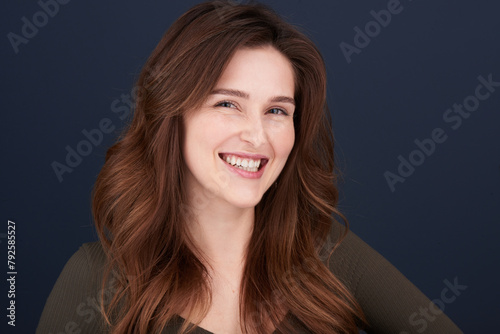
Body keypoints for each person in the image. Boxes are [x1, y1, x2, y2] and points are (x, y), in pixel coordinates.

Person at [37, 1, 463, 333]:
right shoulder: (97, 281)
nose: (258, 136)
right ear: (172, 117)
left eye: (277, 111)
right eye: (228, 104)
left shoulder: (326, 252)